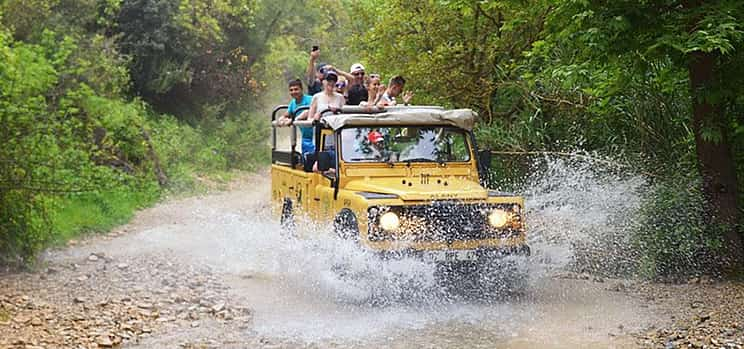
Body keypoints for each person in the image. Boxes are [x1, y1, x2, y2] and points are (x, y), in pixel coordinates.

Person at [277, 79, 314, 154]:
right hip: (305, 137)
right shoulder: (293, 103)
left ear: (301, 89)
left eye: (296, 89)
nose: (294, 92)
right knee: (306, 160)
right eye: (291, 90)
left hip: (316, 136)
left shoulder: (310, 99)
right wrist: (280, 120)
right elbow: (286, 114)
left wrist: (294, 120)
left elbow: (308, 111)